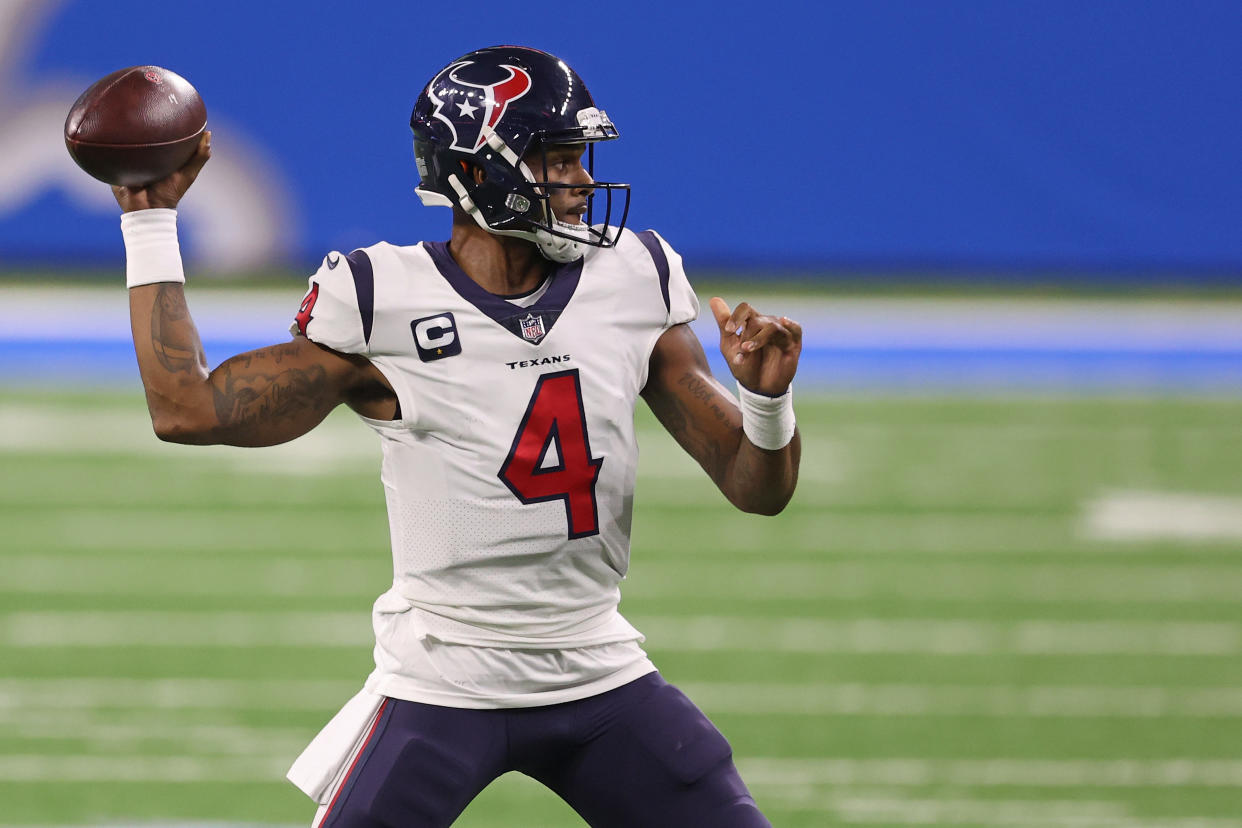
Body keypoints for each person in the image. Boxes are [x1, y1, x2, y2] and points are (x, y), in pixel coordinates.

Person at [111, 45, 801, 828]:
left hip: (597, 667)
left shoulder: (634, 276)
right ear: (477, 174)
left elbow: (757, 490)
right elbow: (187, 410)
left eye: (582, 159)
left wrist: (766, 404)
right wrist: (151, 221)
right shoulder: (382, 299)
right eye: (556, 161)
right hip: (445, 682)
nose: (580, 184)